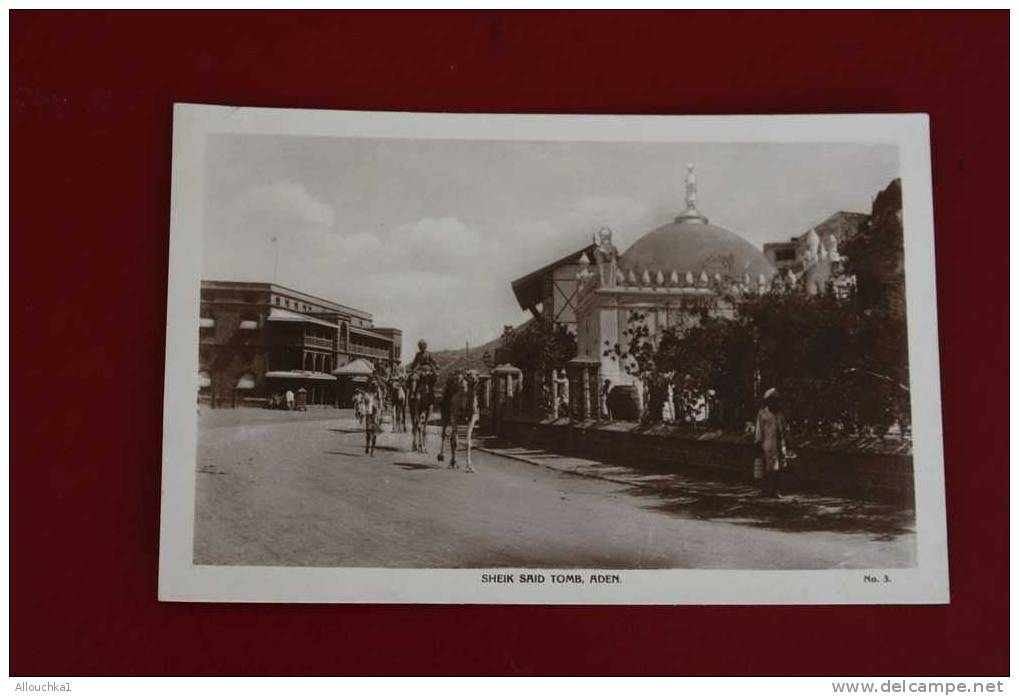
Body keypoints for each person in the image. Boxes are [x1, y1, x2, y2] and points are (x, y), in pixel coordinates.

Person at [755, 387, 788, 498]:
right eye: (771, 399)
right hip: (767, 443)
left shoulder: (779, 414)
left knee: (778, 468)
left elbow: (783, 429)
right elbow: (759, 429)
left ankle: (776, 490)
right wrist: (758, 441)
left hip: (778, 443)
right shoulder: (762, 413)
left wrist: (784, 442)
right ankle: (765, 489)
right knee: (766, 468)